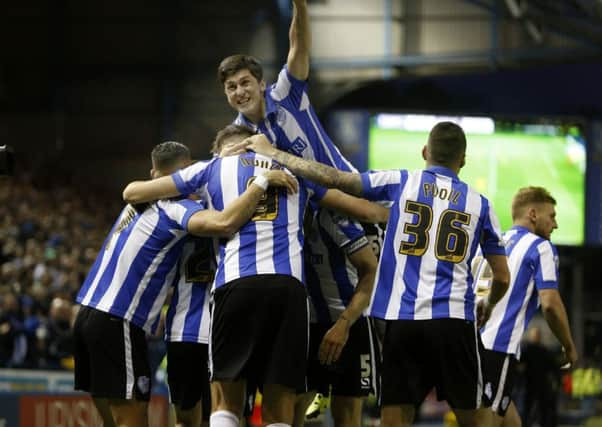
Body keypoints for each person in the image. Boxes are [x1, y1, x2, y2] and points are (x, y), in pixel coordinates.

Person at [241, 121, 511, 427]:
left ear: (425, 152)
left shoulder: (402, 181)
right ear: (463, 160)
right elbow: (501, 277)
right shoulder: (482, 205)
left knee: (395, 419)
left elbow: (337, 178)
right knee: (476, 417)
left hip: (402, 322)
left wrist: (273, 152)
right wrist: (487, 305)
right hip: (454, 323)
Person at [122, 124, 389, 427]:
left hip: (236, 285)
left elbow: (133, 191)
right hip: (289, 290)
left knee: (226, 402)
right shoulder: (296, 172)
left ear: (225, 148)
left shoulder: (210, 168)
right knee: (281, 405)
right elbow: (367, 211)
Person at [73, 141, 295, 427]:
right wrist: (260, 181)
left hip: (88, 313)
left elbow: (132, 189)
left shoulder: (136, 203)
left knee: (113, 422)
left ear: (154, 174)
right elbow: (225, 222)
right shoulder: (176, 207)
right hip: (120, 319)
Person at [473, 186, 578, 427]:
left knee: (510, 421)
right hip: (496, 347)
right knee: (487, 422)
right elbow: (550, 305)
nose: (555, 224)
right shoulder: (540, 247)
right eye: (551, 216)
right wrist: (569, 346)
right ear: (533, 214)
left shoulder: (489, 244)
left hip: (468, 345)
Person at [218, 0, 356, 173]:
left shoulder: (285, 93)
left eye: (245, 83)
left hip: (346, 187)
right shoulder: (236, 135)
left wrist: (300, 5)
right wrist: (219, 163)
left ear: (261, 84)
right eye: (231, 87)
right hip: (300, 201)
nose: (239, 92)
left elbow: (298, 46)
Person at [294, 208, 380, 427]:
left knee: (348, 414)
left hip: (350, 324)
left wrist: (344, 323)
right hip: (307, 326)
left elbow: (371, 270)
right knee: (292, 412)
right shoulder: (288, 215)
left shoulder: (331, 217)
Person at [163, 235, 214, 427]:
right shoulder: (230, 237)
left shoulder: (179, 238)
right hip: (217, 333)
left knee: (183, 420)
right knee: (223, 413)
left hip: (181, 330)